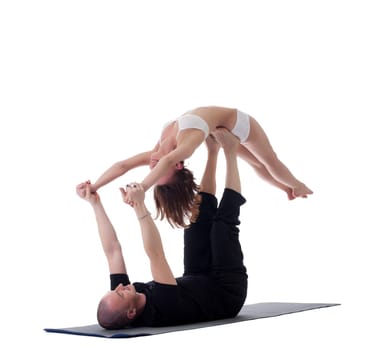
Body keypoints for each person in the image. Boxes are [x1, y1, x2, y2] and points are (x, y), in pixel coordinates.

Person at [76, 128, 248, 329]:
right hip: (226, 292)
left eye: (116, 290)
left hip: (197, 276)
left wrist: (95, 204)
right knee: (221, 228)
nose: (120, 287)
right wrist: (140, 206)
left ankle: (213, 151)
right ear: (132, 313)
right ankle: (230, 150)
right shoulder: (162, 308)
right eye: (121, 293)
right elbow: (156, 254)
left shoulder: (123, 296)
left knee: (194, 224)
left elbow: (112, 251)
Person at [82, 106, 313, 228]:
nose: (152, 167)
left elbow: (123, 165)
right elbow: (164, 162)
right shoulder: (182, 149)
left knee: (261, 162)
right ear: (178, 165)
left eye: (152, 173)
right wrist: (143, 187)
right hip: (238, 124)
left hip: (223, 125)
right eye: (159, 172)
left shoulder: (157, 153)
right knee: (265, 161)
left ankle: (288, 188)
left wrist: (96, 186)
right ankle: (296, 186)